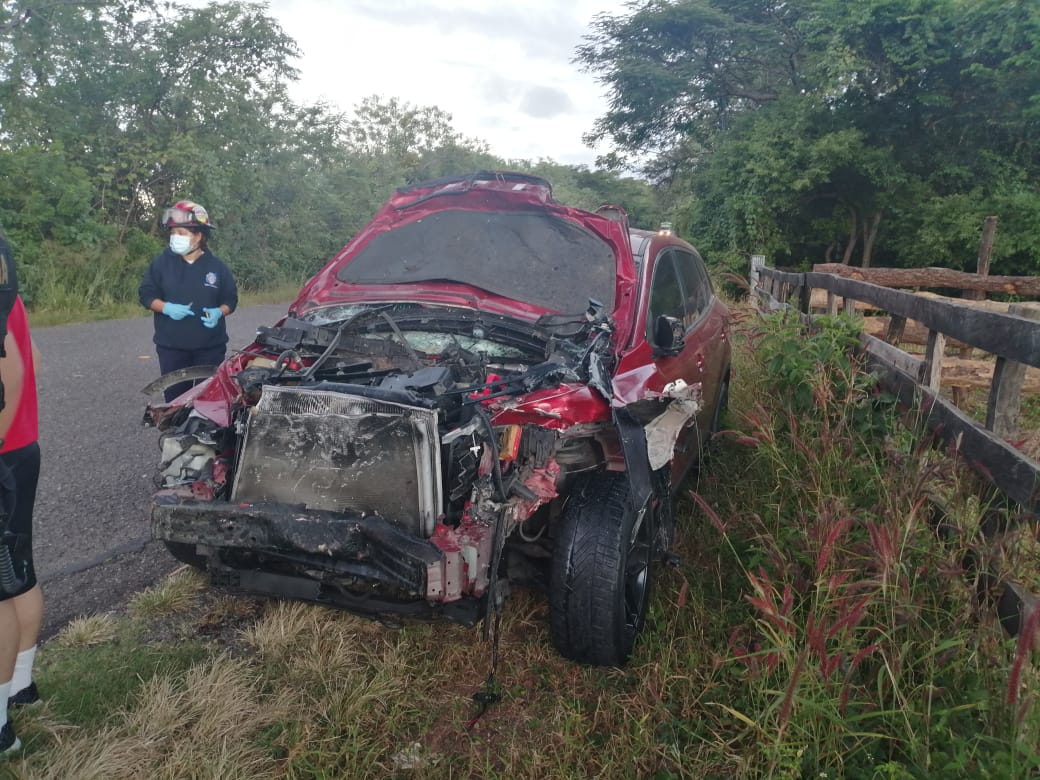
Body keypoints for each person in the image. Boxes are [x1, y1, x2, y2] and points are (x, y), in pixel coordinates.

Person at [0, 234, 41, 758]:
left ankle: (2, 724)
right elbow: (30, 357)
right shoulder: (9, 291)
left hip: (6, 454)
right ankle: (21, 684)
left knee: (4, 585)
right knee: (17, 573)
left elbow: (10, 368)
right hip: (19, 445)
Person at [138, 200, 238, 402]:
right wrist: (166, 308)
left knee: (208, 400)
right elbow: (146, 295)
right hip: (171, 348)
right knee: (176, 402)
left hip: (210, 348)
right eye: (173, 233)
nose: (175, 238)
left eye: (182, 234)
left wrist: (220, 311)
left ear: (199, 236)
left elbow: (230, 299)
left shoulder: (217, 267)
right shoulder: (161, 263)